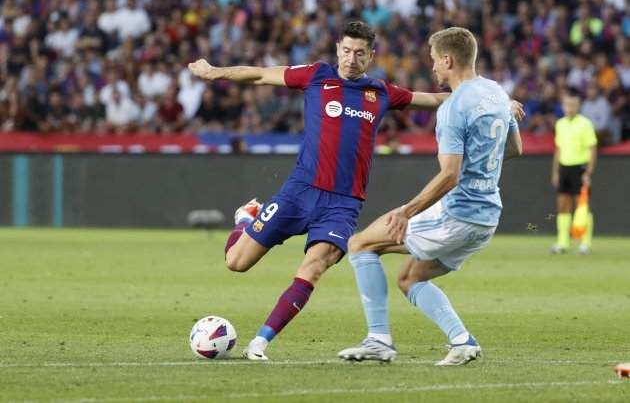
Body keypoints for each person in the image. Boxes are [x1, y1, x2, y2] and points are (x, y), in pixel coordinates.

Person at [188, 21, 450, 360]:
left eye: (359, 53)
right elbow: (259, 74)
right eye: (346, 51)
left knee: (313, 267)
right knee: (236, 262)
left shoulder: (381, 92)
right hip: (298, 193)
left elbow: (434, 99)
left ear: (370, 56)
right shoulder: (316, 76)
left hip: (342, 205)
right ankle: (245, 220)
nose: (351, 59)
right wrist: (216, 72)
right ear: (337, 48)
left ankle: (260, 343)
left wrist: (493, 98)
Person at [336, 27, 523, 366]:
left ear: (448, 60)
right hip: (487, 218)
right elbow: (516, 149)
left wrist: (407, 211)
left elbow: (450, 175)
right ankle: (463, 341)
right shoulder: (496, 94)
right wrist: (481, 166)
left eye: (435, 61)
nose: (433, 68)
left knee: (360, 244)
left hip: (457, 215)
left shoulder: (453, 109)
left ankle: (378, 340)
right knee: (410, 277)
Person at [550, 89, 597, 255]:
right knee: (562, 205)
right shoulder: (560, 124)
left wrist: (588, 172)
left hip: (580, 168)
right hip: (564, 168)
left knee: (582, 206)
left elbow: (592, 149)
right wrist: (555, 171)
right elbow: (558, 149)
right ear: (563, 106)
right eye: (567, 104)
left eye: (573, 104)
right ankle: (562, 242)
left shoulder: (585, 124)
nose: (570, 107)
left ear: (578, 106)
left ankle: (585, 243)